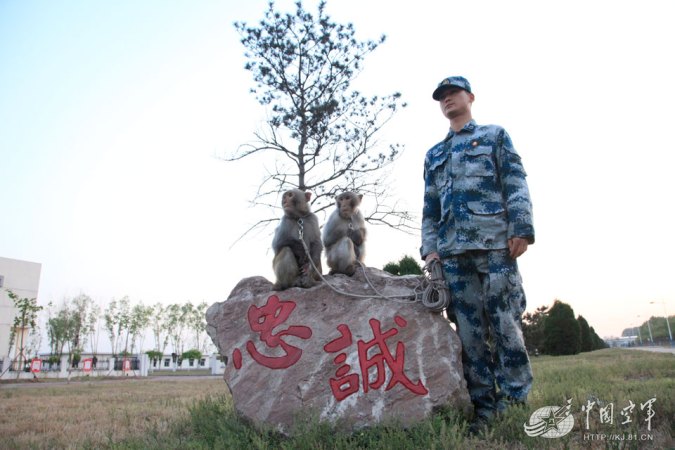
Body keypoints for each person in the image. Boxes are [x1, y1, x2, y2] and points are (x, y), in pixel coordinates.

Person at [420, 76, 535, 433]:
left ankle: (515, 403)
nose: (447, 100)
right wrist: (431, 251)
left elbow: (514, 181)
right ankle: (484, 407)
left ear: (470, 97)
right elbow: (430, 208)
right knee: (469, 337)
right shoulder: (434, 155)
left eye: (453, 93)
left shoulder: (494, 136)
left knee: (505, 326)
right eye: (442, 97)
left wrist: (522, 228)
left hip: (495, 246)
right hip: (454, 256)